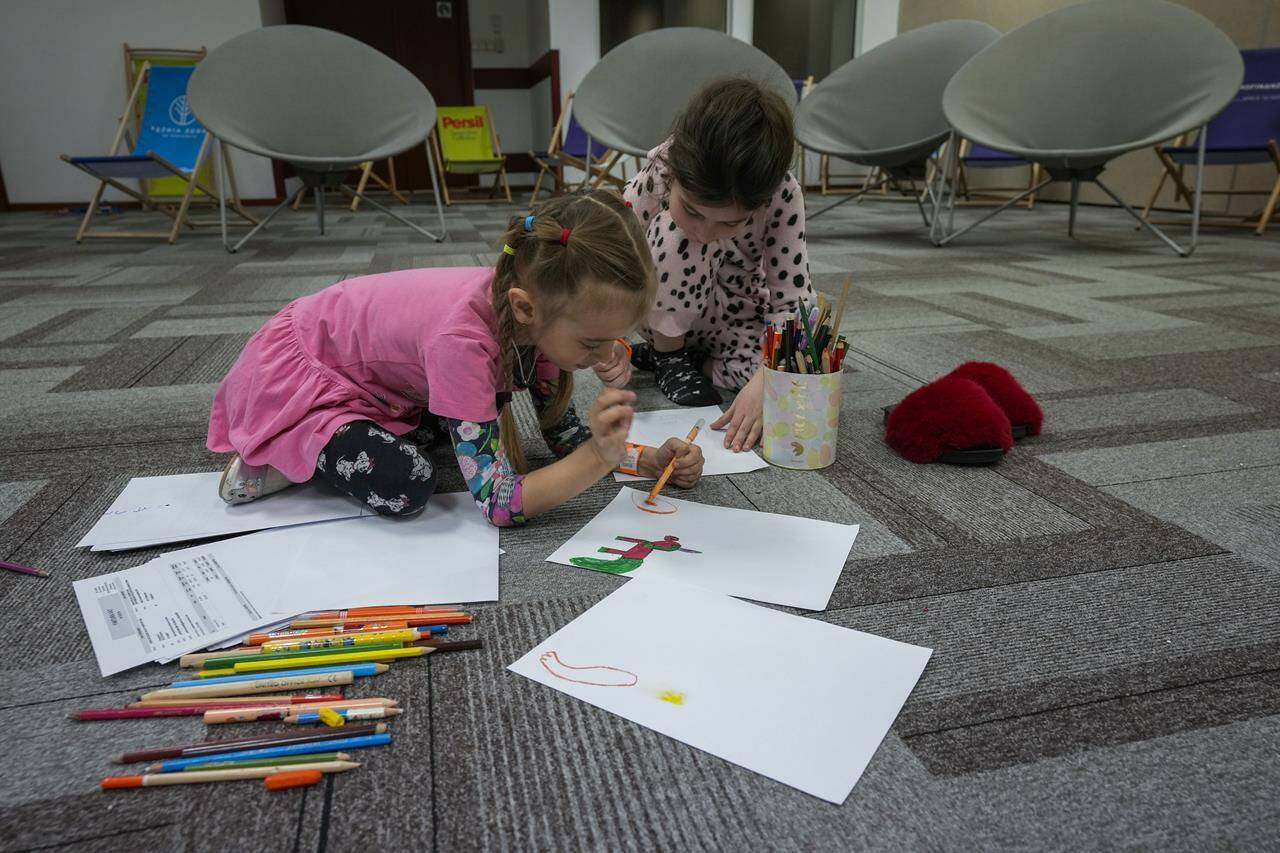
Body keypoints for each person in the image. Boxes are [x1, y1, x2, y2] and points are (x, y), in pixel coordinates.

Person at [207, 190, 705, 527]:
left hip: (386, 382)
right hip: (307, 374)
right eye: (594, 342)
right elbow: (498, 503)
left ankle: (347, 436)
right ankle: (280, 454)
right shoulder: (463, 342)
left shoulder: (539, 316)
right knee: (408, 484)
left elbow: (566, 439)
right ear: (526, 309)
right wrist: (598, 458)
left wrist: (648, 459)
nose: (604, 359)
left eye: (614, 341)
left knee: (452, 437)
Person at [618, 77, 815, 452]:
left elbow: (793, 302)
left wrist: (768, 379)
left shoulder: (783, 194)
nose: (708, 231)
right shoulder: (663, 166)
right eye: (692, 209)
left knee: (787, 373)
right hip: (660, 305)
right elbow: (611, 246)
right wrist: (606, 334)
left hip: (732, 316)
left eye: (730, 222)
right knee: (681, 237)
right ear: (672, 176)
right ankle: (669, 353)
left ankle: (691, 360)